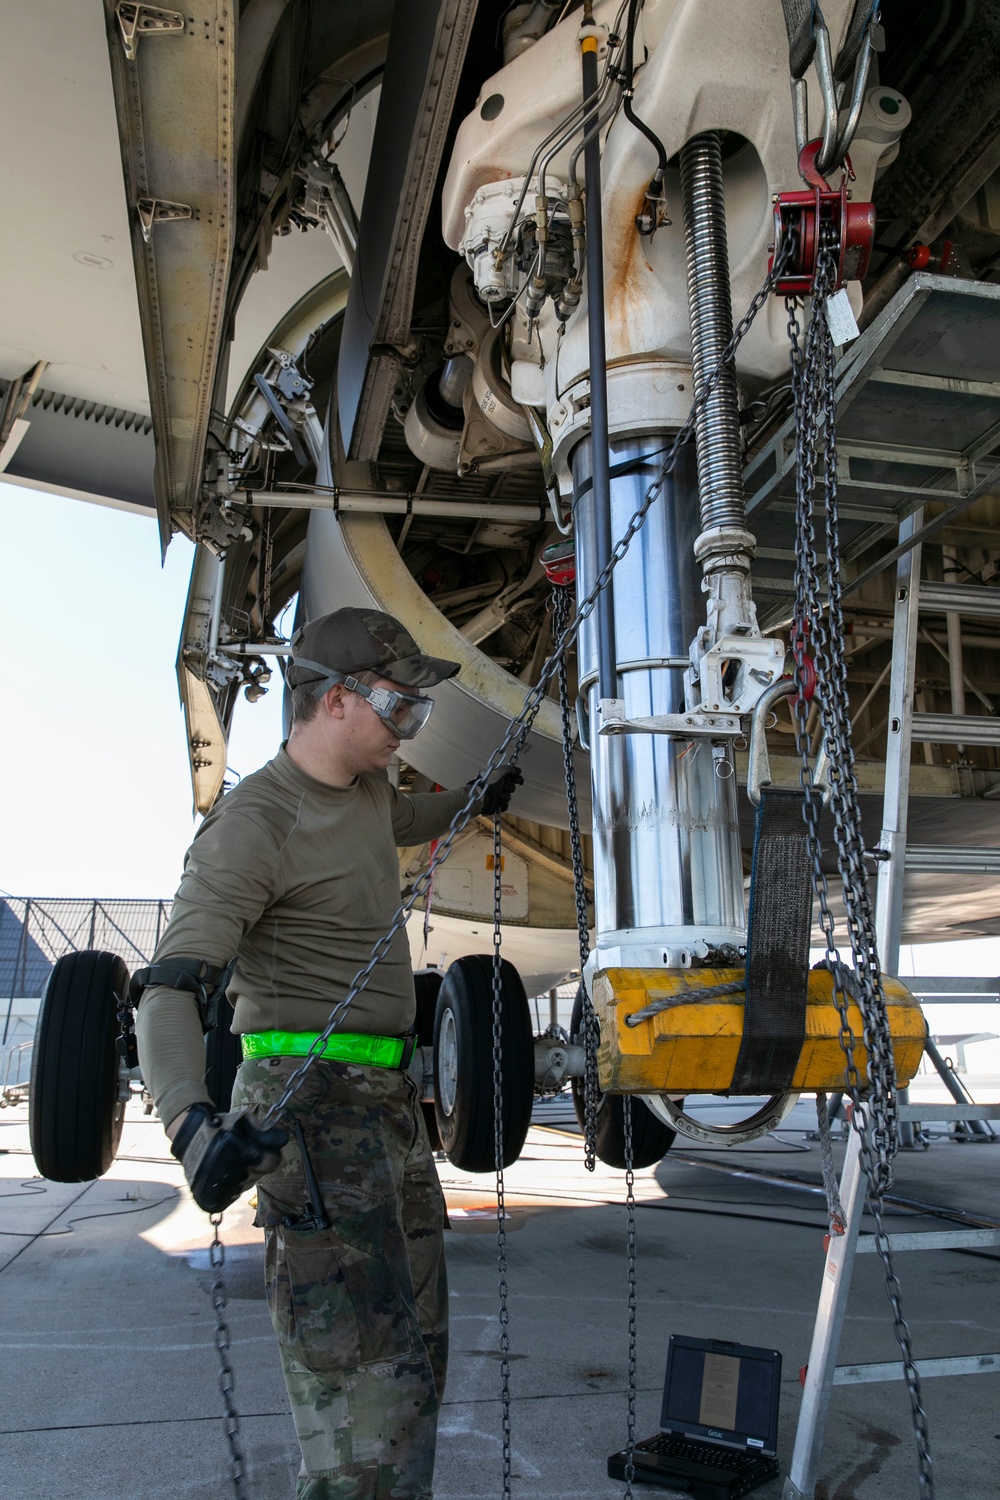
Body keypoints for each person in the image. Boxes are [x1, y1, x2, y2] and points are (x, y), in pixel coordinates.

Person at [135, 606, 521, 1500]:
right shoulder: (253, 824)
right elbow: (171, 987)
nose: (409, 729)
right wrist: (193, 1127)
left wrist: (474, 799)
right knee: (360, 1405)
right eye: (401, 709)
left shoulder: (369, 790)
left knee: (415, 1362)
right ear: (337, 699)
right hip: (310, 1114)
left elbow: (401, 819)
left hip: (388, 1106)